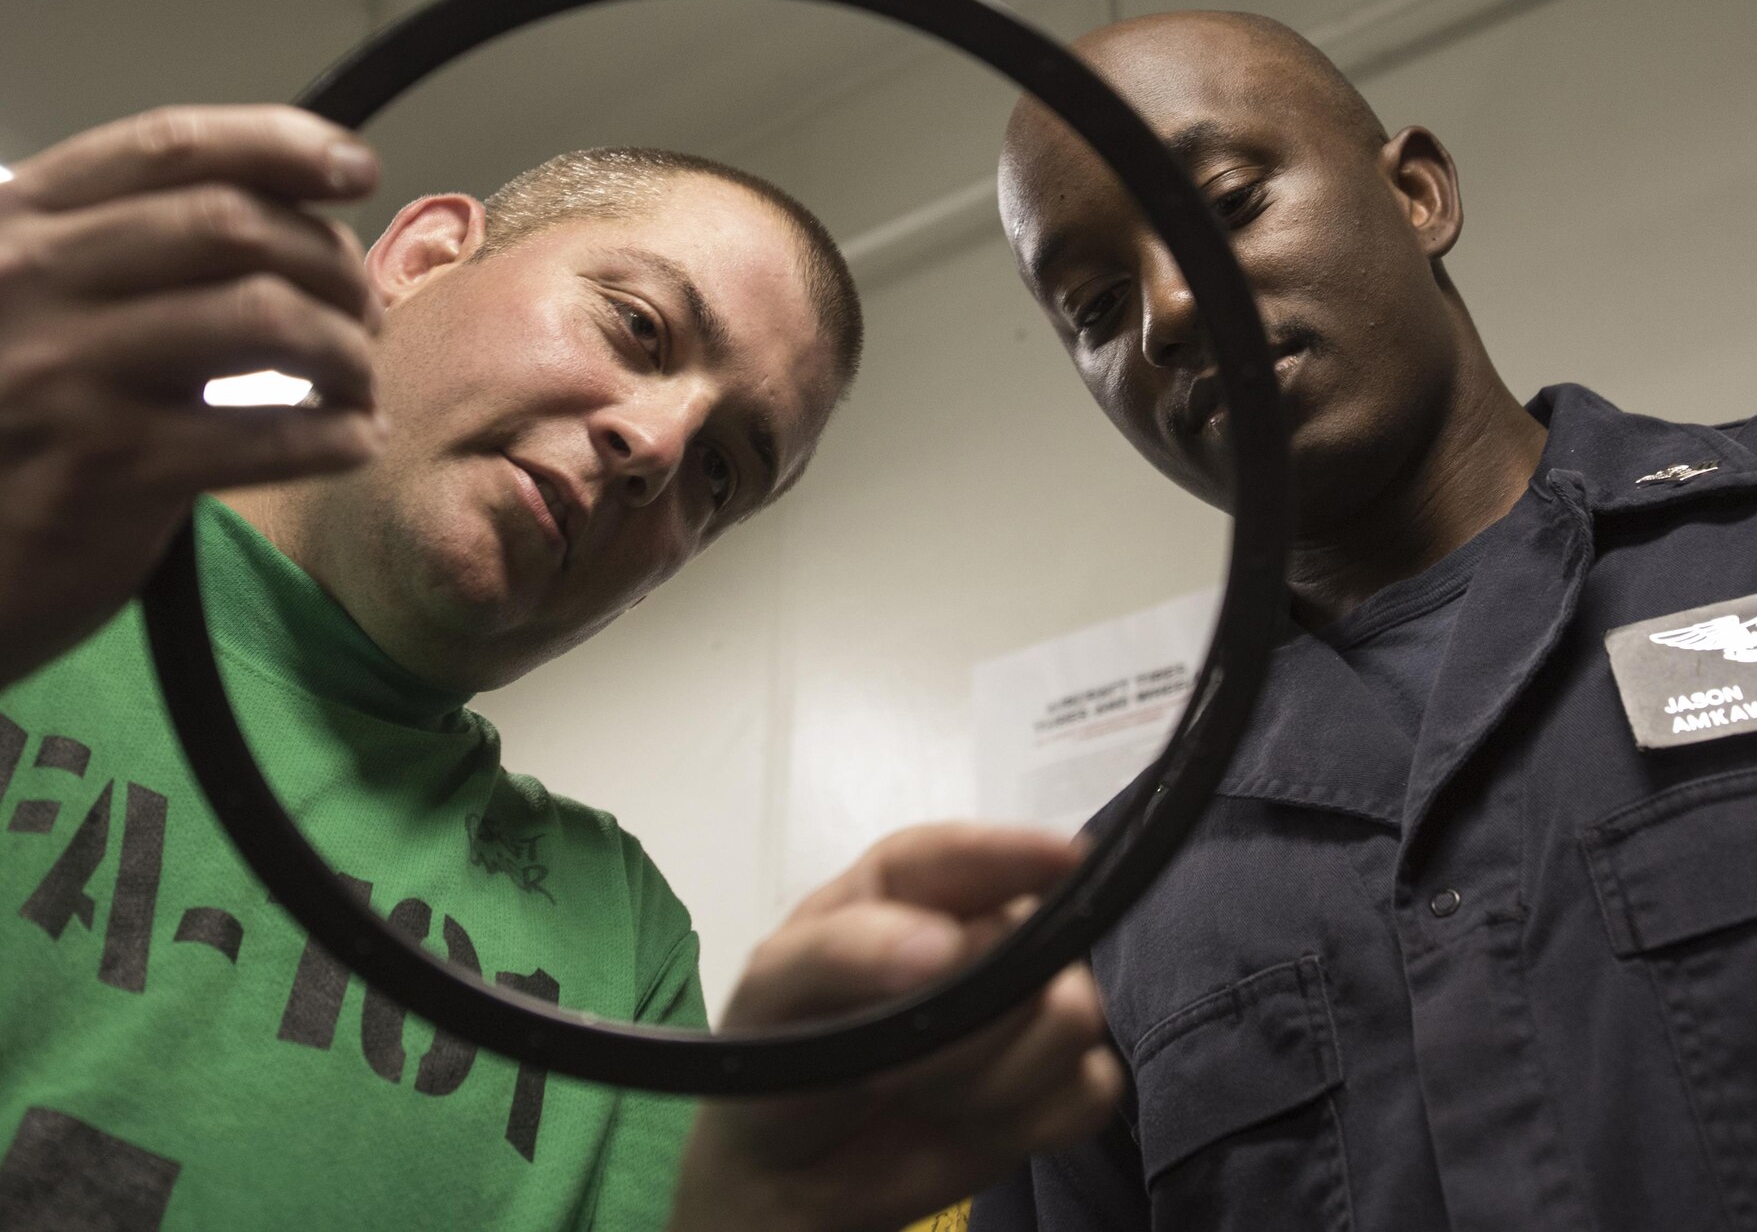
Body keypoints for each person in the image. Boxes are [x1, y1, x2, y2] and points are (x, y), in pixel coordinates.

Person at [0, 104, 1118, 1230]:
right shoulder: (34, 572)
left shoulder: (616, 935)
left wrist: (748, 1209)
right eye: (638, 329)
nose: (660, 446)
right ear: (420, 257)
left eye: (723, 474)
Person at [975, 9, 1757, 1232]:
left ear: (1415, 193)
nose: (1167, 313)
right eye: (1093, 309)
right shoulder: (1103, 913)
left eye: (1228, 201)